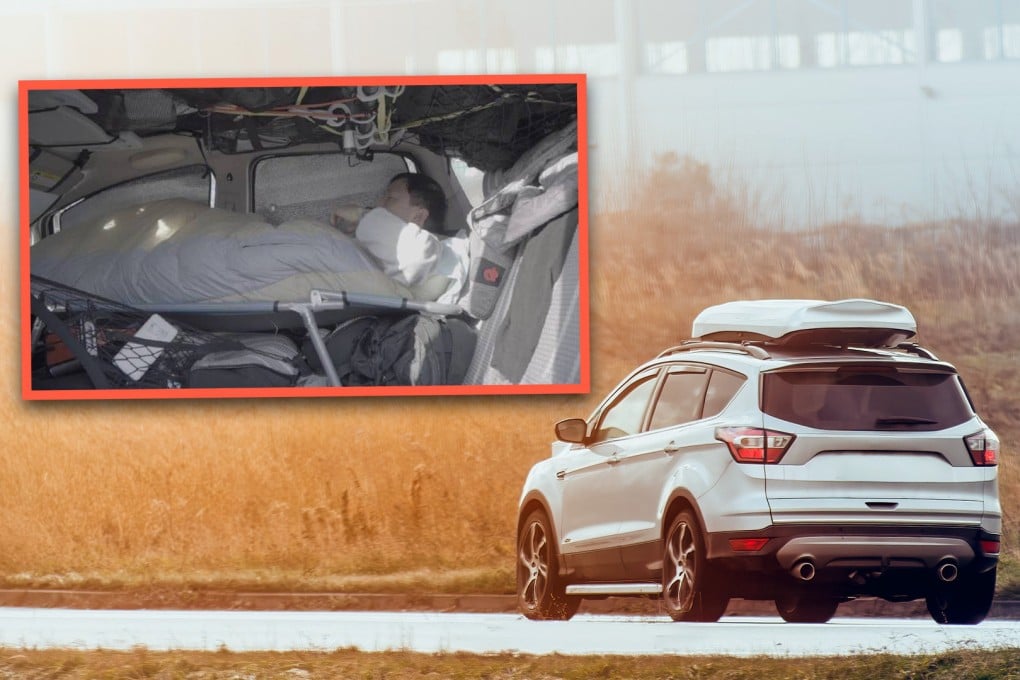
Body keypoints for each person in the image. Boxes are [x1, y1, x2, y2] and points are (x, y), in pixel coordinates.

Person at [331, 172, 467, 303]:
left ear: (418, 216)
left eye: (390, 198)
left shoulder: (435, 251)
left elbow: (417, 256)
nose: (378, 204)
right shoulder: (389, 249)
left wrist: (361, 215)